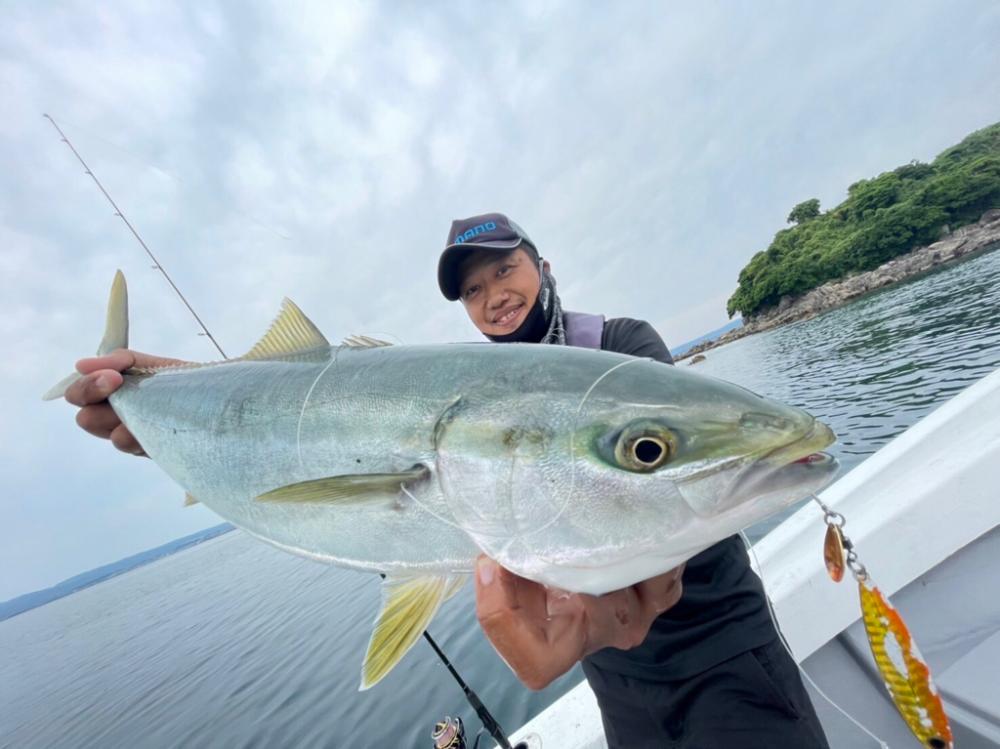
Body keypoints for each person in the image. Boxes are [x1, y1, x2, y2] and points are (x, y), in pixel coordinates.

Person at [66, 212, 830, 748]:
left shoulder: (621, 349)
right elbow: (272, 420)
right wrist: (175, 419)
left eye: (506, 269)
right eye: (473, 289)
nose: (494, 293)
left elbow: (655, 502)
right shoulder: (447, 387)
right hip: (618, 680)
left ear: (542, 267)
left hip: (723, 644)